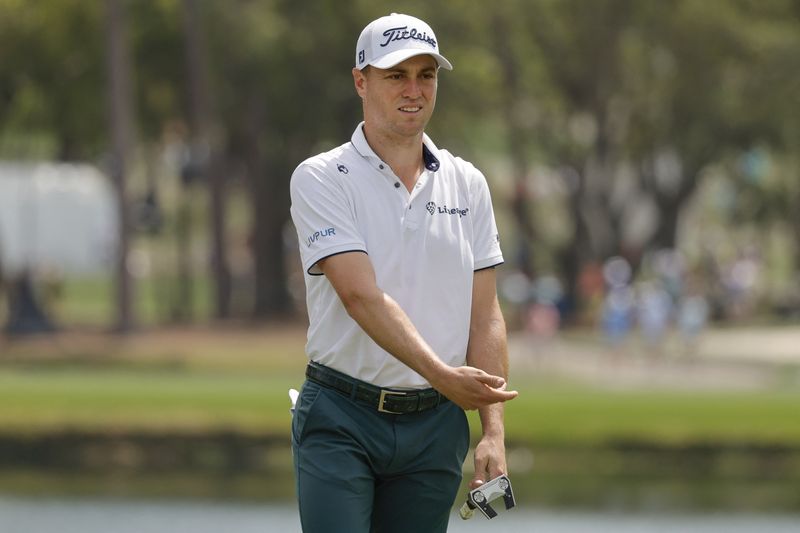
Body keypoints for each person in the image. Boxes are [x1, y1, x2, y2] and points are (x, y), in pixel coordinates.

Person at [289, 13, 517, 532]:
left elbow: (485, 316)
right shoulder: (322, 177)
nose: (413, 90)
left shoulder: (468, 183)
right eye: (396, 75)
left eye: (426, 75)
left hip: (434, 425)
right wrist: (444, 376)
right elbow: (359, 296)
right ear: (361, 81)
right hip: (342, 417)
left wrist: (493, 430)